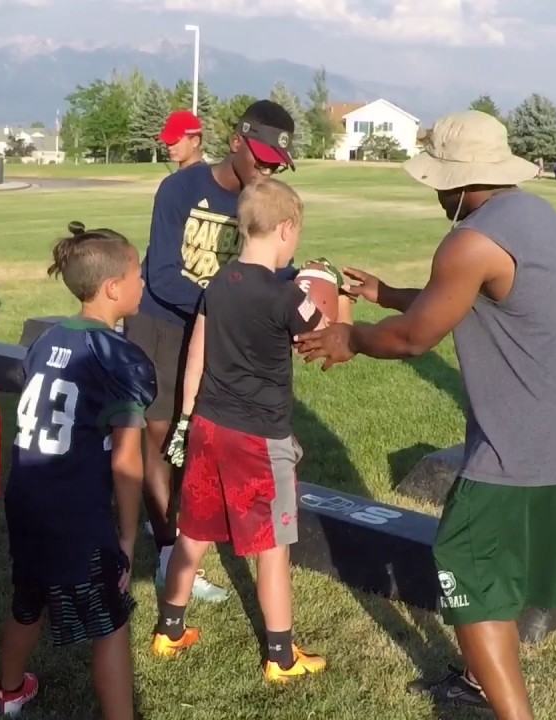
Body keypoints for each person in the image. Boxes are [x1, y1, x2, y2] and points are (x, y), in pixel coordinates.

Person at [293, 110, 556, 720]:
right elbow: (463, 298)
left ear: (462, 181)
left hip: (521, 449)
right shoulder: (538, 217)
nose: (437, 194)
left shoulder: (470, 240)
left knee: (466, 567)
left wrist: (350, 335)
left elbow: (414, 338)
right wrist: (386, 294)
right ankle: (476, 677)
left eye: (440, 182)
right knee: (500, 573)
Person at [152, 179, 349, 683]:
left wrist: (187, 417)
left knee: (194, 531)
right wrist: (339, 294)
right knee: (272, 547)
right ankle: (281, 657)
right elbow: (328, 337)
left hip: (208, 426)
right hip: (259, 438)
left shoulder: (218, 283)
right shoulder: (284, 296)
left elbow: (199, 351)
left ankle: (169, 629)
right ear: (285, 229)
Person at [126, 99, 297, 603]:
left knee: (206, 438)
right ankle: (167, 551)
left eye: (277, 165)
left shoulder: (263, 202)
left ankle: (191, 533)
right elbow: (161, 277)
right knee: (163, 437)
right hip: (163, 325)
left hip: (218, 333)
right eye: (261, 159)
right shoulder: (181, 188)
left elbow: (275, 270)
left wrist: (309, 285)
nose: (267, 171)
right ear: (236, 142)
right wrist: (225, 303)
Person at [0, 222, 153, 719]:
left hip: (26, 494)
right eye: (138, 274)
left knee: (29, 597)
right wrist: (127, 538)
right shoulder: (118, 357)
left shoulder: (47, 339)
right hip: (75, 506)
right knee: (111, 622)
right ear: (112, 288)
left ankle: (8, 692)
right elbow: (126, 460)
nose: (144, 282)